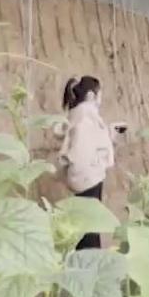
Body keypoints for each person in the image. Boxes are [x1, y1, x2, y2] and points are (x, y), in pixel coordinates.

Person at [58, 76, 122, 250]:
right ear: (91, 95)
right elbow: (85, 147)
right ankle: (91, 258)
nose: (101, 98)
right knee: (91, 224)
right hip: (88, 176)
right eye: (99, 93)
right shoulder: (87, 115)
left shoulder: (77, 114)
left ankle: (84, 256)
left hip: (80, 176)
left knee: (84, 222)